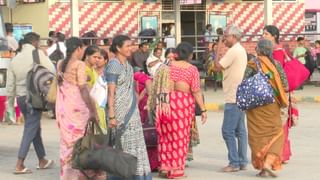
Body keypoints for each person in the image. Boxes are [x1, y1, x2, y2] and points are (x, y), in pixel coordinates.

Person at [150, 42, 207, 178]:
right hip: (181, 105)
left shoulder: (164, 67)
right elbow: (196, 91)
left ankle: (164, 167)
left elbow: (154, 86)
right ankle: (176, 170)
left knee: (165, 136)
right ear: (189, 55)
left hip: (165, 103)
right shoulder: (191, 69)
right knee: (179, 138)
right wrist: (203, 110)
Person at [7, 32, 55, 174]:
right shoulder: (38, 54)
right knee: (30, 129)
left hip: (21, 99)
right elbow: (51, 71)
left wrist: (9, 105)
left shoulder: (15, 59)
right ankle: (19, 164)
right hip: (34, 98)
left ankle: (42, 160)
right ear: (35, 42)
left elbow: (10, 86)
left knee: (34, 128)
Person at [105, 35, 152, 180]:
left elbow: (131, 89)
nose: (130, 48)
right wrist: (112, 115)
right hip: (119, 113)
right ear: (118, 48)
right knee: (122, 146)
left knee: (135, 146)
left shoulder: (128, 65)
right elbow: (111, 92)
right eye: (127, 46)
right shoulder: (114, 64)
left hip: (132, 112)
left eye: (131, 45)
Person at [244, 39, 289, 177]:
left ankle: (263, 167)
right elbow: (285, 86)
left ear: (258, 50)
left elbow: (244, 83)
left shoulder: (251, 65)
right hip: (271, 106)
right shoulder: (276, 65)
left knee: (257, 137)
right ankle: (268, 163)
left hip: (255, 107)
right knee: (276, 134)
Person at [56, 37, 98, 179]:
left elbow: (66, 81)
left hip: (64, 108)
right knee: (79, 143)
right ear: (79, 49)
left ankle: (66, 175)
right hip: (77, 108)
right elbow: (83, 89)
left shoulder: (60, 63)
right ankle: (78, 175)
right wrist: (92, 109)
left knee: (66, 143)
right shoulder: (79, 64)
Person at [213, 25, 248, 172]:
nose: (224, 39)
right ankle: (242, 160)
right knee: (240, 131)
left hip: (233, 96)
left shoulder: (234, 51)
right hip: (239, 95)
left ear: (233, 37)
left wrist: (218, 46)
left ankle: (234, 162)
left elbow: (216, 67)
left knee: (227, 131)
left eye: (226, 36)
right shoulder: (240, 49)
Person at [263, 25, 299, 163]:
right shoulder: (277, 51)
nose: (263, 36)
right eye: (263, 33)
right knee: (279, 123)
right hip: (281, 91)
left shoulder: (277, 52)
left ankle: (280, 154)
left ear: (274, 36)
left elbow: (276, 75)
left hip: (279, 93)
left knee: (279, 124)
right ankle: (283, 154)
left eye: (266, 34)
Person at [133, 65, 159, 172]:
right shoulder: (145, 77)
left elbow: (145, 90)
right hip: (147, 106)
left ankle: (145, 164)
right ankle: (154, 164)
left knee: (143, 136)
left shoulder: (136, 76)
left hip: (141, 107)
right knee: (151, 135)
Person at [83, 45, 107, 132]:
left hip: (97, 104)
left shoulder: (91, 69)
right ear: (86, 56)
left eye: (98, 57)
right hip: (89, 106)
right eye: (94, 57)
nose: (96, 59)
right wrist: (94, 112)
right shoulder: (84, 70)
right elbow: (88, 92)